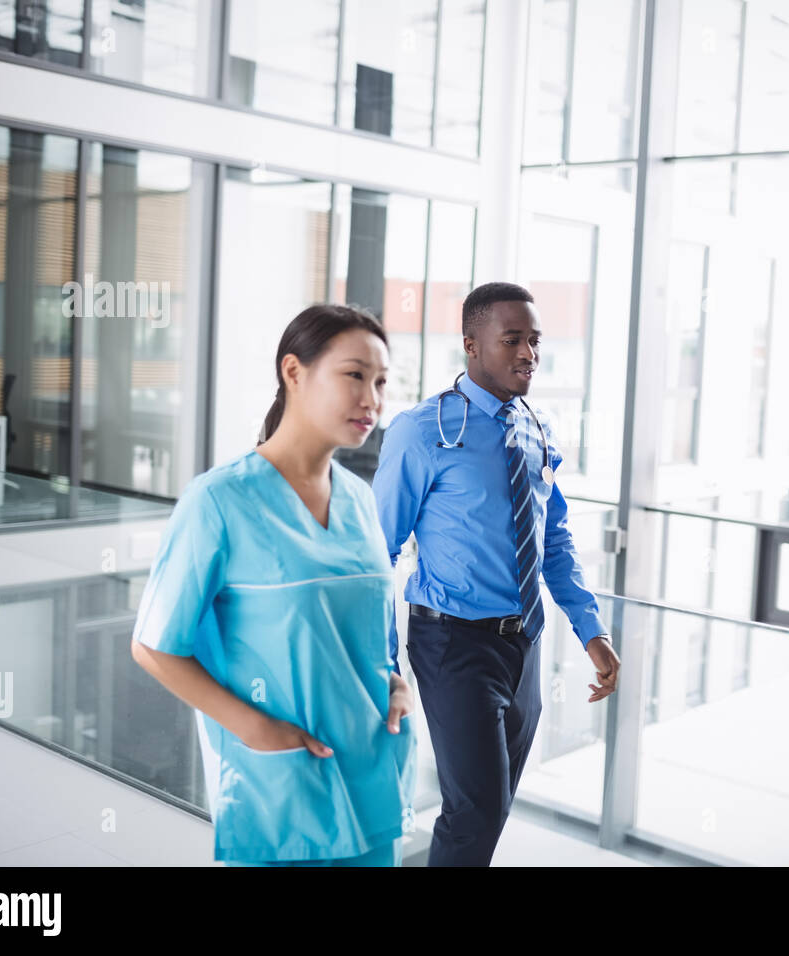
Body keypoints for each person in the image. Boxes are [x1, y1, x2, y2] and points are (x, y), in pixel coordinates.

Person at [130, 303, 416, 867]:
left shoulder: (361, 501)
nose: (372, 400)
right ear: (294, 371)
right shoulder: (219, 502)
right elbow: (155, 645)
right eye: (354, 375)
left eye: (381, 382)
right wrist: (254, 727)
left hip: (371, 774)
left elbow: (372, 623)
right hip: (281, 791)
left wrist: (396, 680)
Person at [372, 281, 620, 867]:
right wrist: (384, 665)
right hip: (451, 640)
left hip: (524, 645)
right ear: (471, 344)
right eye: (512, 340)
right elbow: (375, 552)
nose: (528, 354)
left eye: (534, 341)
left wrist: (592, 632)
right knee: (476, 808)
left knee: (491, 805)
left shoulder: (537, 429)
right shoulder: (421, 429)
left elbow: (552, 539)